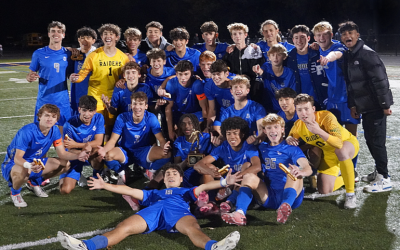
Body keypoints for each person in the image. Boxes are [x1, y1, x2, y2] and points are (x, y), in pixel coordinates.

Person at [58, 164, 241, 250]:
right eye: (167, 173)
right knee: (124, 227)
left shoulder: (186, 191)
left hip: (178, 212)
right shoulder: (155, 194)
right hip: (154, 210)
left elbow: (204, 187)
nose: (170, 175)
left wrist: (225, 181)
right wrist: (105, 186)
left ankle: (214, 247)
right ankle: (86, 246)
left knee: (193, 229)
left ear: (180, 179)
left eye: (174, 173)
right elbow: (129, 190)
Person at [222, 114, 312, 225]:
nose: (272, 130)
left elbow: (308, 168)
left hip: (292, 197)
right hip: (269, 196)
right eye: (269, 128)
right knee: (248, 175)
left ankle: (285, 206)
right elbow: (246, 155)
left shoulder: (292, 148)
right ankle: (240, 213)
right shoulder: (262, 147)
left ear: (282, 129)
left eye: (276, 127)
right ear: (264, 131)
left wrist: (301, 171)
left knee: (294, 171)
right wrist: (251, 140)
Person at [339, 21, 393, 192]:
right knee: (370, 140)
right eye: (344, 34)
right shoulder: (350, 54)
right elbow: (351, 84)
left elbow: (381, 81)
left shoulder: (366, 54)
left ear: (357, 35)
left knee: (376, 142)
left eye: (351, 33)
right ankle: (379, 170)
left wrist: (385, 105)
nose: (347, 36)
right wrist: (353, 105)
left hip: (375, 106)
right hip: (365, 106)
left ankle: (384, 178)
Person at [1, 104, 89, 207]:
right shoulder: (27, 132)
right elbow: (17, 158)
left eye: (53, 117)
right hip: (13, 165)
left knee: (65, 164)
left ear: (56, 120)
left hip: (36, 163)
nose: (50, 119)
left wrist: (78, 156)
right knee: (25, 171)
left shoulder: (55, 130)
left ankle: (34, 183)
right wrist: (29, 166)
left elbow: (62, 153)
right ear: (39, 117)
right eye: (47, 115)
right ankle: (15, 193)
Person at [287, 94, 359, 209]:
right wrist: (289, 139)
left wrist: (319, 131)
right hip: (329, 155)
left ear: (313, 109)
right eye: (300, 110)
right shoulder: (298, 125)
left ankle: (350, 194)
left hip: (348, 144)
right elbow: (290, 139)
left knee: (341, 151)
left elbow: (338, 143)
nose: (303, 113)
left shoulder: (326, 117)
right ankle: (349, 177)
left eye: (306, 109)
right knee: (324, 190)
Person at [97, 92, 171, 188]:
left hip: (143, 151)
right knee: (106, 155)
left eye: (141, 104)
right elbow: (112, 141)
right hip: (125, 152)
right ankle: (122, 172)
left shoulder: (151, 118)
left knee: (167, 153)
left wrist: (164, 145)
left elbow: (160, 139)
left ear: (146, 106)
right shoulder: (122, 118)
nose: (137, 107)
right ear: (131, 106)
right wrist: (103, 150)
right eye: (135, 103)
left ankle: (150, 171)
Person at [70, 23, 130, 140]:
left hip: (114, 95)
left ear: (117, 37)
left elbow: (127, 76)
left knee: (111, 126)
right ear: (101, 37)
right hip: (96, 95)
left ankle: (107, 152)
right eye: (105, 34)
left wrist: (123, 80)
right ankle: (95, 152)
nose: (108, 36)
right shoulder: (93, 55)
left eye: (111, 34)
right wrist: (75, 78)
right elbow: (82, 74)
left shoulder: (123, 57)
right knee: (97, 125)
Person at [312, 21, 359, 136]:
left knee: (350, 136)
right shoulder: (318, 49)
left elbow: (337, 54)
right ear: (314, 37)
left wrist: (328, 58)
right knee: (334, 136)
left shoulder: (338, 47)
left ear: (331, 35)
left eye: (325, 34)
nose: (322, 38)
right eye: (318, 35)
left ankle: (352, 155)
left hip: (347, 99)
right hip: (332, 98)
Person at [26, 21, 72, 133]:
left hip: (62, 99)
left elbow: (70, 74)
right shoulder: (38, 53)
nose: (56, 34)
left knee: (64, 135)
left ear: (63, 35)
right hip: (44, 99)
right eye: (53, 31)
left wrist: (73, 77)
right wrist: (30, 77)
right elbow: (30, 74)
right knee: (41, 135)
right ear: (48, 33)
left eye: (59, 31)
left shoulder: (69, 54)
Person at [60, 96, 105, 194]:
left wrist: (78, 144)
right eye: (84, 110)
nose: (87, 114)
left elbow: (98, 142)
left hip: (91, 153)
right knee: (64, 190)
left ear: (95, 111)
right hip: (75, 156)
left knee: (99, 152)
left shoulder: (99, 118)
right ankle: (78, 174)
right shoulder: (69, 125)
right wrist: (82, 151)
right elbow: (68, 148)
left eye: (90, 111)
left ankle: (96, 175)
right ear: (79, 109)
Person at [161, 60, 208, 141]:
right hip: (179, 113)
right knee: (179, 134)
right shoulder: (171, 84)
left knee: (193, 132)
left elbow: (204, 107)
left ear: (191, 74)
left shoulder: (197, 84)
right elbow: (168, 109)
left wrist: (207, 127)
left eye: (186, 74)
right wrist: (170, 131)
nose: (183, 78)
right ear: (176, 74)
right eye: (180, 74)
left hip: (195, 113)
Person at [287, 25, 328, 110]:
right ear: (293, 40)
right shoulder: (288, 58)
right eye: (296, 37)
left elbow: (332, 45)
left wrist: (319, 45)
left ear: (308, 38)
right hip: (299, 103)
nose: (299, 41)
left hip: (320, 100)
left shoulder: (318, 53)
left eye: (302, 37)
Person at [223, 23, 265, 103]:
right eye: (234, 34)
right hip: (236, 88)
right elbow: (225, 70)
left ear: (245, 35)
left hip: (252, 87)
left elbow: (261, 67)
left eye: (240, 33)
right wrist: (235, 76)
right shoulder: (229, 53)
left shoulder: (253, 50)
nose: (237, 36)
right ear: (232, 37)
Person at [173, 114, 215, 188]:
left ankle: (206, 197)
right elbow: (177, 167)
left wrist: (203, 158)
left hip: (203, 170)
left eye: (190, 123)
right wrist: (186, 161)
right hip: (188, 173)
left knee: (209, 168)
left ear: (196, 123)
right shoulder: (178, 142)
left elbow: (215, 155)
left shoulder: (206, 137)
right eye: (183, 124)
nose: (186, 126)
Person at [253, 44, 297, 113]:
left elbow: (293, 93)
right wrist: (258, 71)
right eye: (273, 55)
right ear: (269, 57)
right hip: (268, 108)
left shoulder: (290, 72)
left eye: (279, 55)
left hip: (285, 109)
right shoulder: (266, 66)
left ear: (284, 57)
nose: (275, 58)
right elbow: (262, 72)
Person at [70, 27, 97, 116]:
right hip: (77, 94)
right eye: (82, 37)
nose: (84, 40)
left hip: (93, 94)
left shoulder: (98, 55)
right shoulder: (74, 53)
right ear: (78, 40)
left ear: (93, 40)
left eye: (88, 37)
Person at [205, 60, 235, 131]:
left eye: (218, 74)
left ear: (226, 74)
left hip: (237, 115)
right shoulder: (209, 86)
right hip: (223, 116)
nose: (216, 77)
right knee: (215, 127)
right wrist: (207, 127)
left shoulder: (236, 85)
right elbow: (212, 110)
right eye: (213, 74)